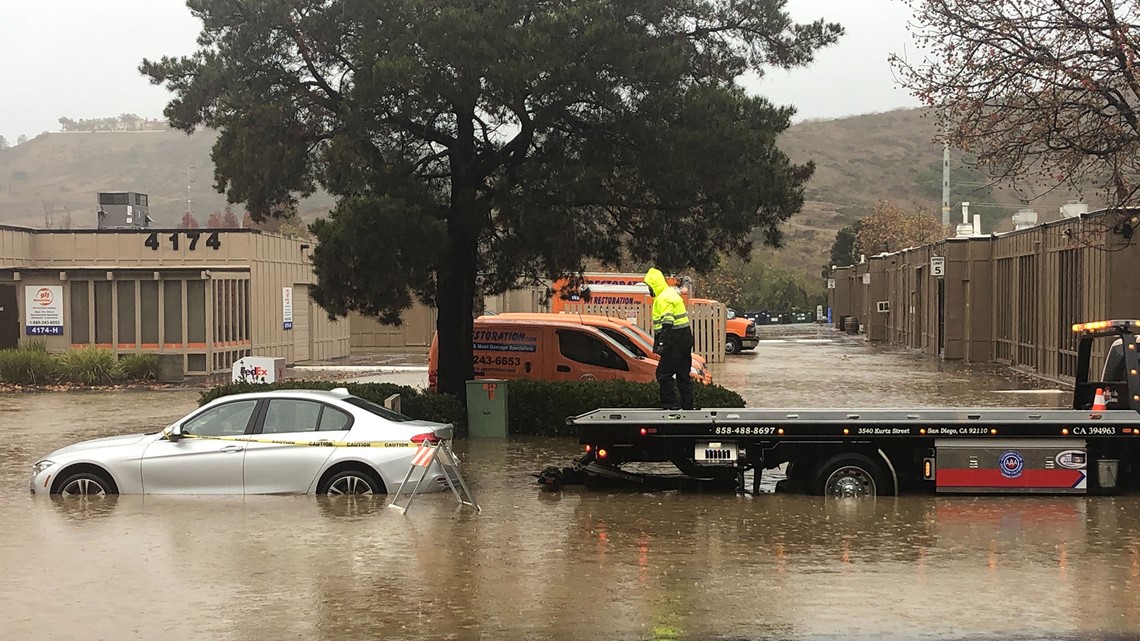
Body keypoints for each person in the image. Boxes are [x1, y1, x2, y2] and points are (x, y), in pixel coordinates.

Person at [644, 268, 694, 410]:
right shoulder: (671, 294)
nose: (649, 290)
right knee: (683, 375)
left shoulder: (662, 299)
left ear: (655, 285)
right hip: (685, 340)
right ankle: (688, 405)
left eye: (649, 287)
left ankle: (670, 405)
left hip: (674, 342)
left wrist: (662, 344)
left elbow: (667, 322)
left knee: (663, 374)